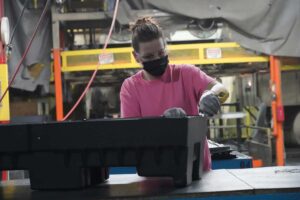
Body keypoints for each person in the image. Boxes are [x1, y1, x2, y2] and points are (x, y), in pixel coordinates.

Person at [120, 17, 229, 171]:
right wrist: (164, 126)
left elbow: (222, 90)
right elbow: (131, 136)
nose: (157, 59)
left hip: (197, 171)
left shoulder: (186, 74)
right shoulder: (131, 88)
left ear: (165, 47)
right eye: (149, 57)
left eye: (161, 52)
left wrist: (211, 94)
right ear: (136, 56)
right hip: (155, 174)